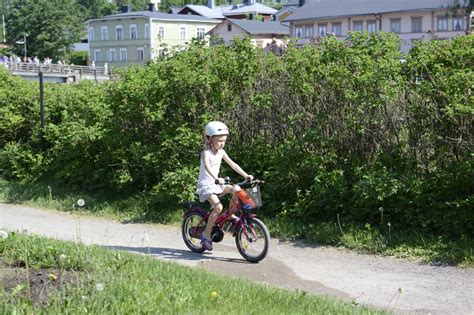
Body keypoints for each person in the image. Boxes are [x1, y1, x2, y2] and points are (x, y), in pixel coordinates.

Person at [196, 121, 253, 251]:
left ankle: (231, 215)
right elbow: (207, 166)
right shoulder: (206, 153)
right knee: (218, 207)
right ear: (210, 139)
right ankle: (206, 234)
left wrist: (246, 175)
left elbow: (233, 165)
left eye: (224, 141)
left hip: (217, 183)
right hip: (206, 185)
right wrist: (216, 178)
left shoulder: (221, 152)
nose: (222, 143)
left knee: (237, 190)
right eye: (219, 140)